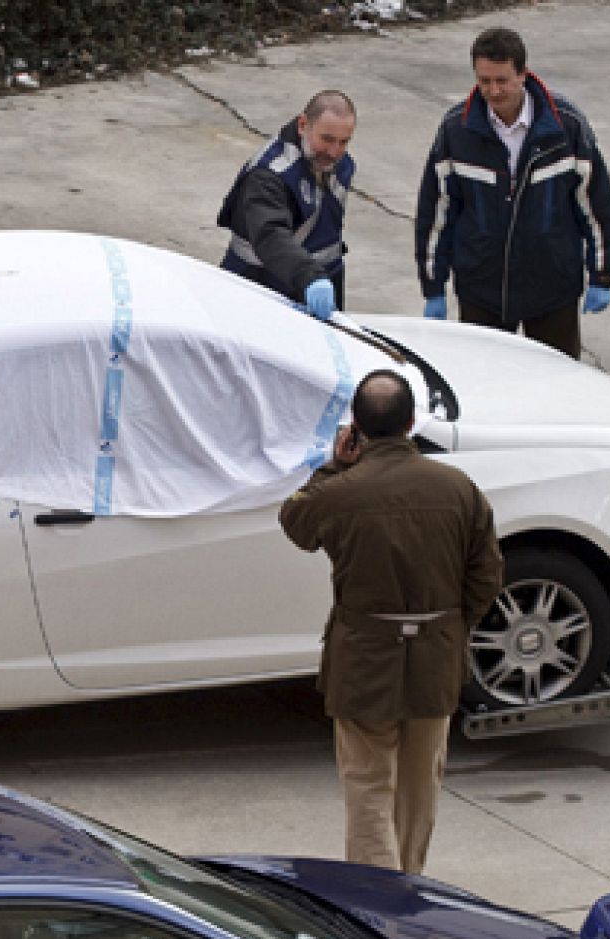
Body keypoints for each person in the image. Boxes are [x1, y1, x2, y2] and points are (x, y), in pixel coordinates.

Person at [278, 372, 502, 874]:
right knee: (420, 787)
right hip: (434, 658)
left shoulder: (339, 493)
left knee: (367, 787)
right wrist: (450, 629)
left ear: (356, 426)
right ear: (411, 422)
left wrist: (333, 466)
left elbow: (294, 521)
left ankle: (376, 903)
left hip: (363, 659)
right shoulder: (458, 488)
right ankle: (410, 885)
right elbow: (487, 575)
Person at [414, 27, 610, 360]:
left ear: (523, 74)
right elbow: (436, 213)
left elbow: (596, 207)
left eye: (502, 80)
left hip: (552, 291)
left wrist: (602, 275)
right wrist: (433, 286)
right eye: (484, 81)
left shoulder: (566, 128)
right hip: (482, 293)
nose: (493, 92)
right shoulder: (456, 131)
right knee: (488, 391)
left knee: (556, 390)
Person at [218, 90, 357, 321]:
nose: (335, 152)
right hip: (261, 288)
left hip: (312, 288)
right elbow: (270, 236)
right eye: (327, 139)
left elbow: (327, 240)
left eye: (344, 142)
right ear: (303, 125)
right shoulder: (269, 174)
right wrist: (311, 277)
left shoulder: (338, 165)